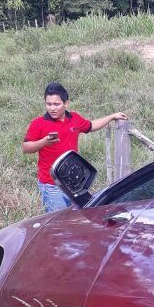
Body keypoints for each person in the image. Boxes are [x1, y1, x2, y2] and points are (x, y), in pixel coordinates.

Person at [23, 82, 128, 212]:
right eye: (48, 104)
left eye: (56, 104)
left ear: (66, 103)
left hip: (74, 184)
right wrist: (44, 142)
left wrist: (112, 117)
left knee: (76, 220)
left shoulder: (74, 118)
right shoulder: (38, 123)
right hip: (51, 185)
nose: (52, 108)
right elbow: (26, 148)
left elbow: (91, 126)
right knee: (58, 225)